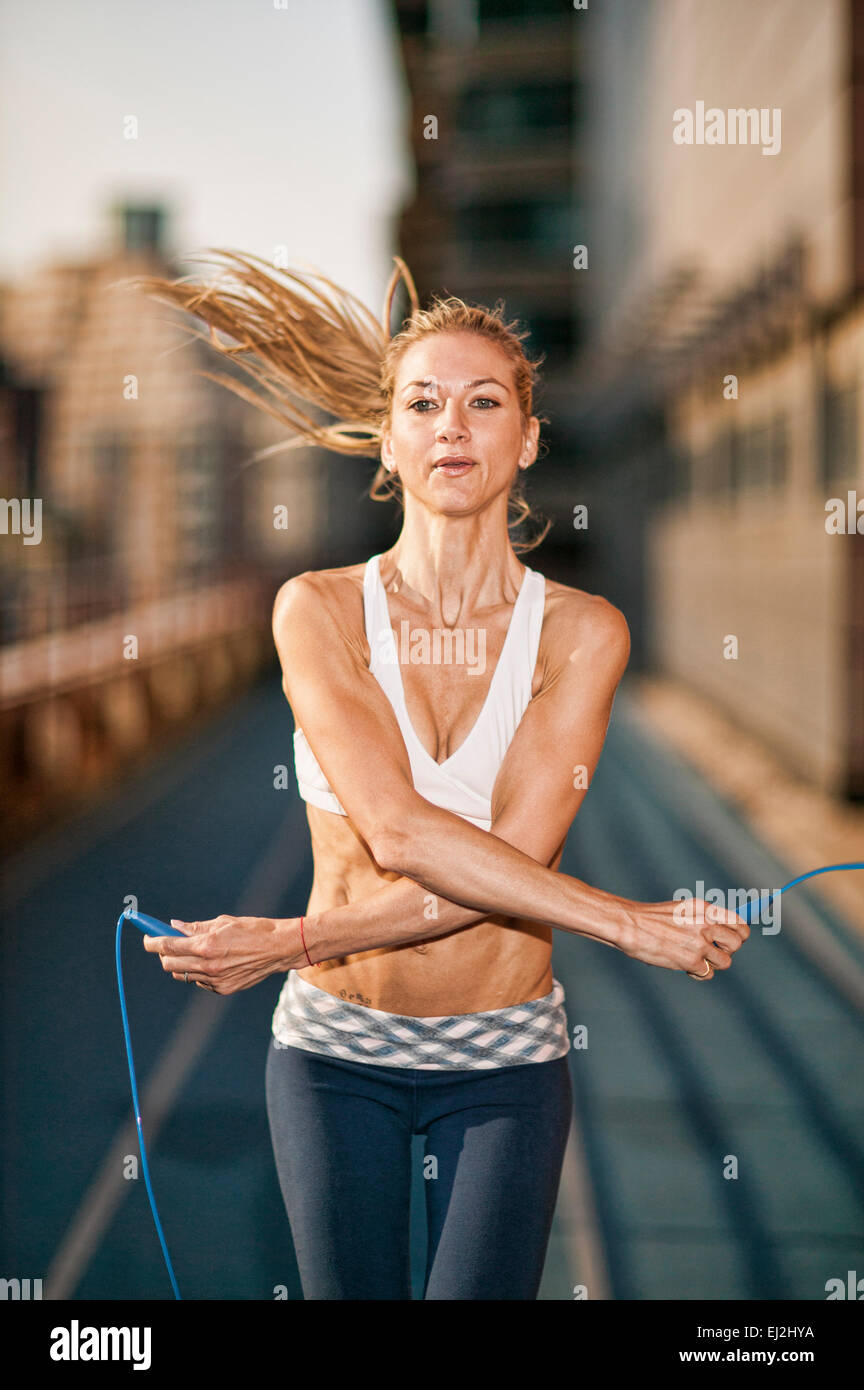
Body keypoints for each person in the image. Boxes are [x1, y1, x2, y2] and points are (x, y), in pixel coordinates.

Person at [137, 251, 749, 1299]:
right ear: (390, 440)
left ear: (527, 438)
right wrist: (630, 922)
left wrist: (287, 939)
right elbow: (402, 834)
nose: (452, 425)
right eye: (422, 403)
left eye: (483, 401)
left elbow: (503, 867)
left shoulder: (582, 633)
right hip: (333, 1053)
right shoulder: (318, 610)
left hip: (506, 1062)